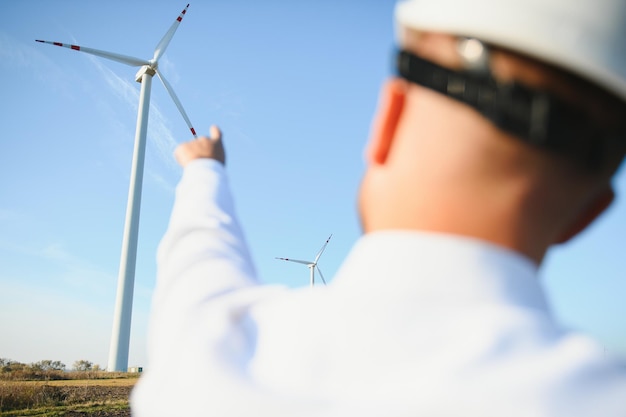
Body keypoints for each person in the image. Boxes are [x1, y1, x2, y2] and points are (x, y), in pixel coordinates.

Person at [131, 0, 626, 415]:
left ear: (387, 120)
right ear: (590, 215)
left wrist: (204, 171)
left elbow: (199, 265)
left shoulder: (213, 360)